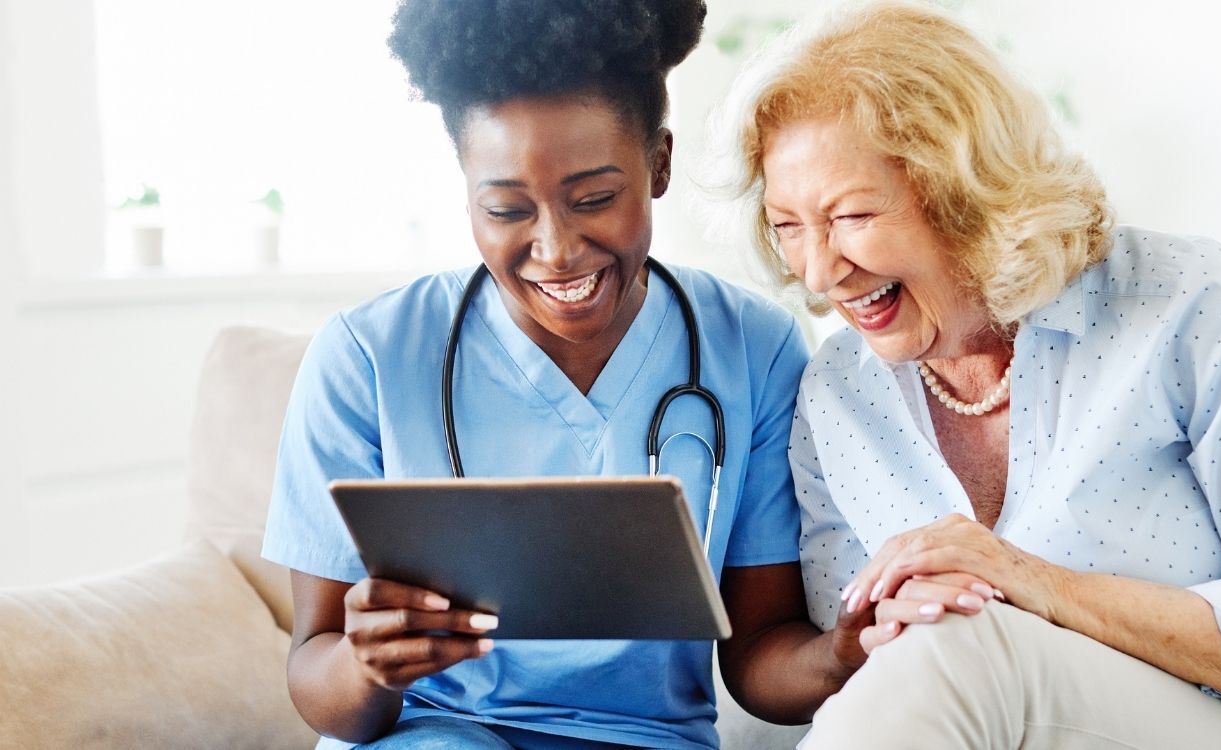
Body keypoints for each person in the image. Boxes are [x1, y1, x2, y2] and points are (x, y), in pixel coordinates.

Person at [710, 1, 1221, 747]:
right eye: (788, 225)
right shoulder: (839, 392)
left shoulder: (1181, 300)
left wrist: (1038, 586)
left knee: (964, 644)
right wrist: (856, 641)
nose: (820, 271)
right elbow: (876, 682)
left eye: (853, 216)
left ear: (967, 193)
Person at [261, 2, 818, 747]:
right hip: (435, 733)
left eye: (594, 199)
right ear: (465, 192)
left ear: (658, 164)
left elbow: (758, 661)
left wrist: (851, 654)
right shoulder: (366, 357)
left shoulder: (754, 347)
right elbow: (317, 681)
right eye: (506, 208)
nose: (555, 250)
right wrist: (367, 666)